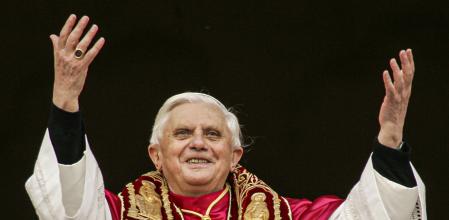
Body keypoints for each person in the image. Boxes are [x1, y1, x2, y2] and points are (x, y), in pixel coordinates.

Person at [25, 14, 426, 220]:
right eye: (182, 133)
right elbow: (70, 204)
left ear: (235, 156)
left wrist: (390, 137)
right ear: (156, 155)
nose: (198, 141)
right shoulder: (115, 213)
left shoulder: (285, 216)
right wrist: (65, 102)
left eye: (212, 134)